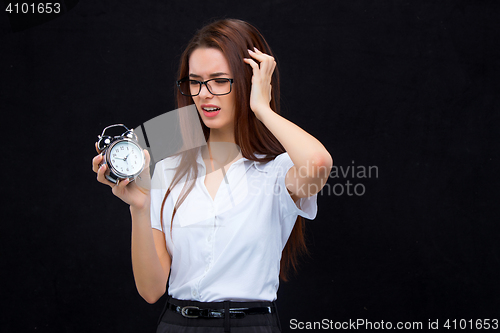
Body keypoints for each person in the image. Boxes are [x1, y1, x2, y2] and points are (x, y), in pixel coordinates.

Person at [92, 18, 332, 333]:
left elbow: (317, 163)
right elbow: (151, 291)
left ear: (250, 81)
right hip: (178, 324)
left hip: (251, 325)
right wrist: (139, 206)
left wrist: (262, 107)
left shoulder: (278, 170)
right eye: (195, 81)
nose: (205, 94)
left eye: (220, 80)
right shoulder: (166, 170)